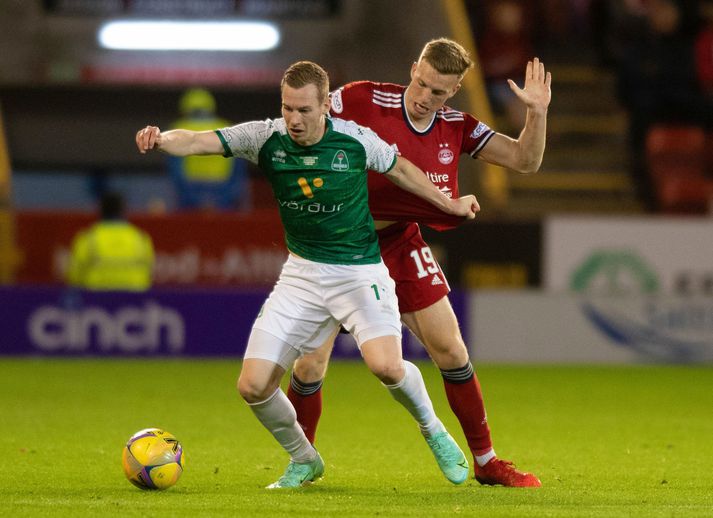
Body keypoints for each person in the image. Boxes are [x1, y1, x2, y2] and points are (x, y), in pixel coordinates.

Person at [135, 61, 480, 489]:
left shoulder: (355, 140)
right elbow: (200, 141)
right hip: (302, 276)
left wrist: (447, 204)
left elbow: (403, 169)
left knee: (387, 368)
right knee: (253, 386)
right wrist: (162, 138)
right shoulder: (265, 137)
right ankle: (305, 458)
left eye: (304, 110)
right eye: (287, 109)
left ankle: (434, 430)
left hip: (359, 272)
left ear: (325, 106)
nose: (294, 120)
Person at [288, 38, 550, 487]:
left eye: (440, 92)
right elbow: (298, 121)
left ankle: (486, 462)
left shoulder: (458, 127)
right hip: (335, 244)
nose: (426, 97)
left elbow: (525, 161)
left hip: (398, 242)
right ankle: (301, 462)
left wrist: (537, 112)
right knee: (309, 366)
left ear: (456, 90)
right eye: (423, 84)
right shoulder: (360, 98)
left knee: (451, 350)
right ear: (413, 69)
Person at [168, 88, 251, 211]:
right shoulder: (228, 129)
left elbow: (176, 173)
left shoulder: (178, 130)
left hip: (189, 194)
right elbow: (238, 172)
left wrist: (195, 199)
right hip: (223, 193)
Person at [66, 192, 154, 291]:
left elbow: (75, 279)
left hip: (96, 301)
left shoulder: (87, 239)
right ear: (123, 210)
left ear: (100, 210)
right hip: (134, 300)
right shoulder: (140, 239)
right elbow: (148, 275)